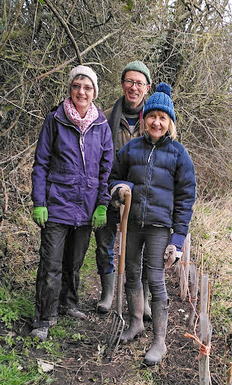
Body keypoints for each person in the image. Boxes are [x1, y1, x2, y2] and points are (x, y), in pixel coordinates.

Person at [110, 82, 196, 365]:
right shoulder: (132, 148)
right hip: (132, 222)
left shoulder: (178, 154)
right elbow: (113, 176)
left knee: (156, 278)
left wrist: (178, 240)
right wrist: (120, 189)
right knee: (132, 273)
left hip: (160, 227)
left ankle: (160, 340)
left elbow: (186, 198)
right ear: (144, 119)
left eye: (162, 118)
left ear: (169, 123)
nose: (156, 122)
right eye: (152, 116)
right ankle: (136, 323)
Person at [30, 65, 113, 341]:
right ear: (70, 89)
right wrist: (39, 200)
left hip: (86, 206)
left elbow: (106, 169)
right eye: (77, 86)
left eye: (87, 87)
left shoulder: (101, 125)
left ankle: (69, 303)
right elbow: (41, 163)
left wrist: (102, 204)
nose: (81, 91)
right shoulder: (55, 120)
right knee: (51, 262)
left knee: (74, 262)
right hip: (56, 203)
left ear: (94, 92)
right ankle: (44, 316)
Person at [95, 61, 152, 319]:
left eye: (139, 83)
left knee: (142, 247)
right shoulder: (105, 118)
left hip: (142, 196)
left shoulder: (154, 120)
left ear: (147, 88)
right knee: (104, 241)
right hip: (109, 189)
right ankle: (107, 292)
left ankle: (144, 298)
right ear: (122, 84)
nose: (133, 87)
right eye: (129, 81)